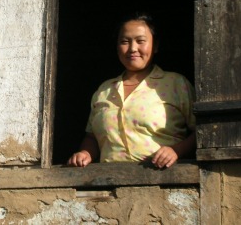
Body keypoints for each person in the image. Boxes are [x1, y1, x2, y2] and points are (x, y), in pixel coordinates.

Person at [68, 13, 196, 169]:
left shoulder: (176, 83)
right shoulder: (104, 90)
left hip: (162, 177)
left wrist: (176, 151)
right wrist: (86, 153)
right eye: (124, 42)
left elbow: (203, 131)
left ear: (155, 46)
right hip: (107, 180)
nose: (132, 48)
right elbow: (92, 136)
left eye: (141, 41)